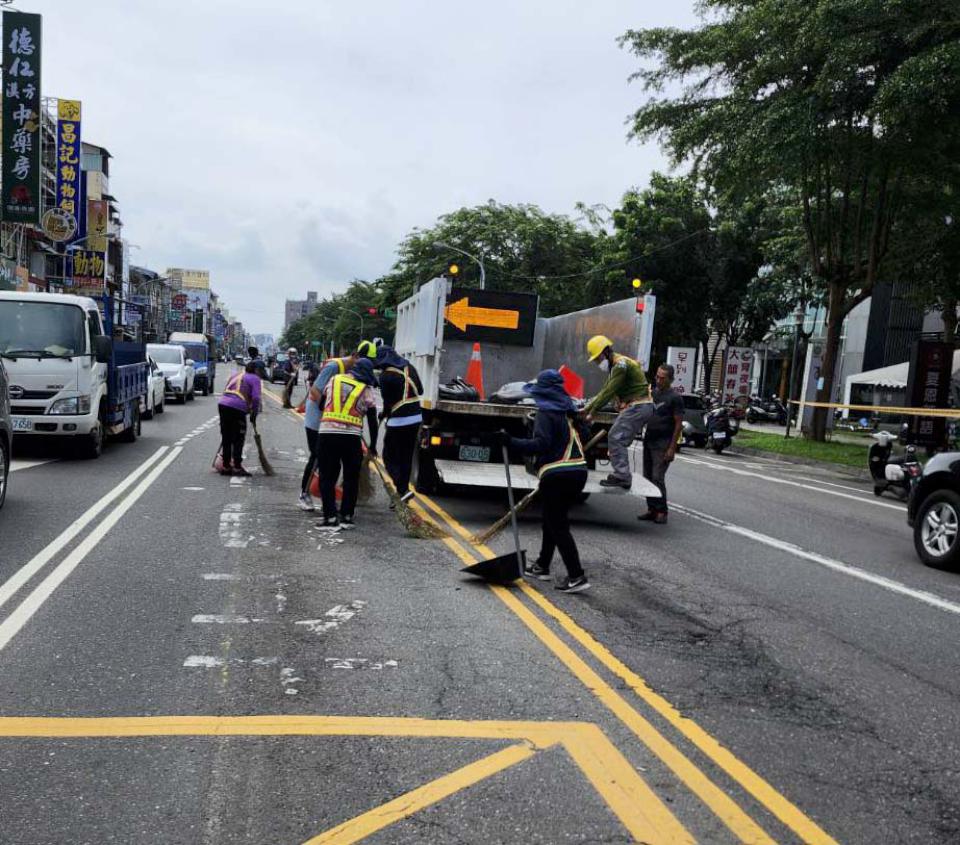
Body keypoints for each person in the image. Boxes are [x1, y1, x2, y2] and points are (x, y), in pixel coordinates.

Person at [503, 370, 591, 593]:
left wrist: (510, 442)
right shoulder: (568, 413)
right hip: (577, 472)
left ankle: (576, 576)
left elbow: (541, 444)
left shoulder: (545, 413)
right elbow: (582, 436)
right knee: (551, 520)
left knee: (558, 525)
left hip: (558, 474)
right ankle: (542, 565)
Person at [316, 357, 379, 530]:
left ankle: (329, 516)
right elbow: (372, 420)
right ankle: (346, 516)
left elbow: (321, 404)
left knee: (327, 477)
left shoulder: (334, 380)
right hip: (351, 438)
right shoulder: (366, 389)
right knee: (351, 477)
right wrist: (373, 445)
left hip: (327, 434)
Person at [583, 335, 653, 490]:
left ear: (605, 352)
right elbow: (605, 390)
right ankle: (621, 475)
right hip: (638, 406)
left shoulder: (620, 365)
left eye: (597, 358)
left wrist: (591, 411)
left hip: (638, 406)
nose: (597, 362)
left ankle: (622, 476)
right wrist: (589, 407)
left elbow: (608, 391)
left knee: (615, 437)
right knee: (617, 437)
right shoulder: (616, 365)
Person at [374, 345, 423, 502]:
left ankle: (401, 489)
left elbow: (388, 402)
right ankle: (404, 491)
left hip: (398, 421)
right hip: (416, 418)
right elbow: (420, 390)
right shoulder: (410, 367)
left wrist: (383, 414)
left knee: (388, 456)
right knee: (406, 457)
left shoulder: (385, 376)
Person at [639, 364, 684, 524]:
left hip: (663, 443)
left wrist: (672, 448)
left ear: (670, 379)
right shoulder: (653, 393)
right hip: (649, 439)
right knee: (648, 476)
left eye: (662, 378)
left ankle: (662, 511)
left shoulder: (675, 398)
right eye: (657, 376)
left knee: (658, 477)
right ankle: (651, 509)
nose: (658, 380)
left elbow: (678, 424)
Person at [217, 360, 262, 477]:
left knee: (226, 436)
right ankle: (237, 466)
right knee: (238, 437)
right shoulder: (255, 378)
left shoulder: (236, 375)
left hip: (223, 404)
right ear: (257, 370)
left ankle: (226, 466)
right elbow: (256, 398)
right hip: (237, 407)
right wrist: (254, 413)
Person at [297, 362, 322, 511]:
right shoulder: (329, 375)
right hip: (316, 424)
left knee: (329, 461)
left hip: (329, 425)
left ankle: (327, 495)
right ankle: (304, 493)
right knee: (316, 456)